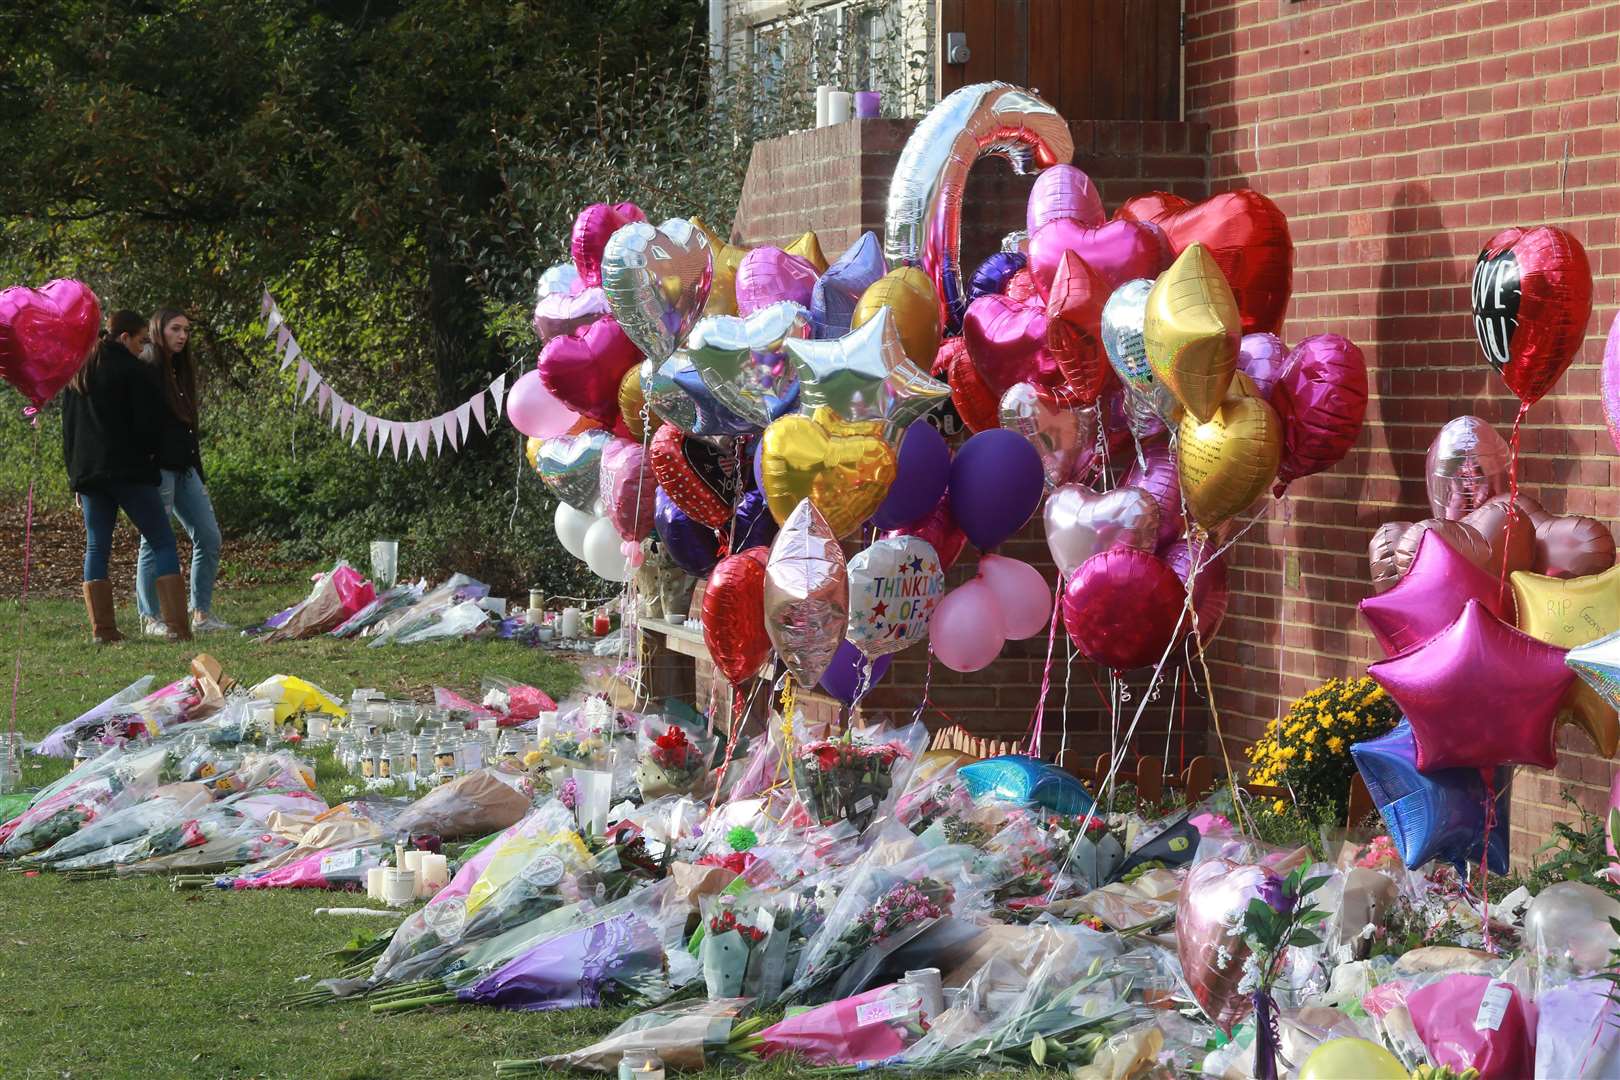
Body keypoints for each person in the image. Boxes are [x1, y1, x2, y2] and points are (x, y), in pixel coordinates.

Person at [61, 309, 191, 644]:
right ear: (124, 338)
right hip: (128, 471)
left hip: (90, 474)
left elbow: (69, 431)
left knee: (97, 546)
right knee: (161, 540)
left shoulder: (79, 372)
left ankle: (103, 630)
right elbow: (150, 425)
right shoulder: (134, 372)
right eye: (140, 341)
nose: (143, 348)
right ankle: (177, 626)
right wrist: (150, 457)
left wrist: (75, 476)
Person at [135, 307, 229, 635]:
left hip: (186, 468)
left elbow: (188, 427)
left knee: (209, 535)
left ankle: (200, 613)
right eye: (175, 329)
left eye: (186, 330)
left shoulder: (180, 370)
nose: (182, 336)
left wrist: (198, 471)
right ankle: (150, 617)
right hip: (157, 469)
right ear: (158, 329)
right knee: (154, 540)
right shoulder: (146, 367)